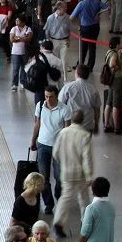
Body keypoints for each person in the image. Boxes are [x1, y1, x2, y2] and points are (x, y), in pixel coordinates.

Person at [51, 109, 93, 237]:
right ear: (83, 120)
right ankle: (85, 223)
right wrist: (89, 175)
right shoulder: (85, 135)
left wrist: (63, 162)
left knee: (65, 197)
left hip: (66, 172)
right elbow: (87, 157)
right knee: (84, 198)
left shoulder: (63, 132)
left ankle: (58, 222)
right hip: (80, 174)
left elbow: (55, 153)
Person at [31, 85, 71, 215]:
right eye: (46, 96)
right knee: (43, 177)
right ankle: (48, 203)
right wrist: (33, 140)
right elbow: (37, 123)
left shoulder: (64, 109)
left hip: (58, 147)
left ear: (56, 96)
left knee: (59, 177)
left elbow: (67, 130)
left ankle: (59, 197)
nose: (48, 99)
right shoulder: (40, 106)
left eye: (51, 96)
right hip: (43, 145)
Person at [70, 0, 109, 72]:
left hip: (85, 28)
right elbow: (108, 7)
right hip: (95, 27)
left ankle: (80, 64)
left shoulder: (81, 4)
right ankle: (90, 66)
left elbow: (72, 17)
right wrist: (99, 12)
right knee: (92, 47)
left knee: (83, 47)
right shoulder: (97, 2)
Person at [59, 65, 101, 133]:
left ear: (77, 74)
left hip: (71, 124)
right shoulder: (93, 90)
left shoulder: (68, 87)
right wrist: (96, 124)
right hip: (87, 125)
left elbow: (60, 104)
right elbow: (97, 110)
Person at [102, 37, 122, 133]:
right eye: (120, 43)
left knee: (109, 102)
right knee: (116, 104)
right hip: (117, 79)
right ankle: (117, 126)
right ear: (117, 44)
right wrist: (118, 69)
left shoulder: (109, 52)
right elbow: (112, 64)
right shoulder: (114, 54)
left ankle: (107, 124)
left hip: (111, 80)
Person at [9, 15, 33, 91]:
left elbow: (29, 39)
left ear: (23, 22)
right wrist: (23, 38)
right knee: (15, 68)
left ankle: (23, 82)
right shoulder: (14, 29)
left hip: (24, 52)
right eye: (16, 21)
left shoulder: (28, 29)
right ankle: (14, 84)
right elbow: (12, 39)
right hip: (15, 52)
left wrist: (18, 38)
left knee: (24, 68)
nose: (16, 22)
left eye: (18, 21)